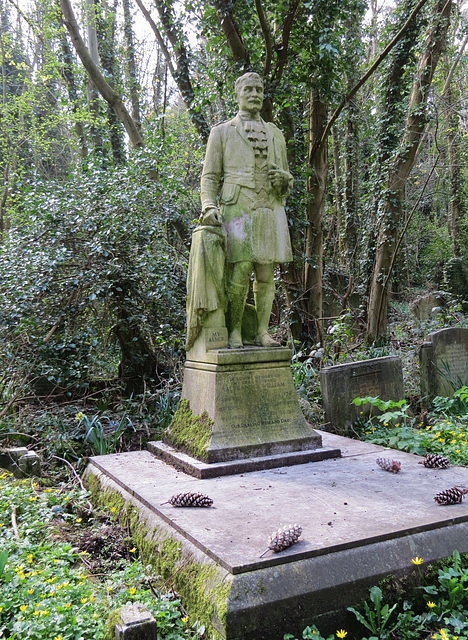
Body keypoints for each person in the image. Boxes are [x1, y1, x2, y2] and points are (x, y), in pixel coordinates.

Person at [200, 72, 293, 348]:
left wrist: (285, 180)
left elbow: (287, 176)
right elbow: (208, 176)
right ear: (237, 94)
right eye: (248, 89)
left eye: (259, 89)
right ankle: (235, 331)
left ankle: (263, 332)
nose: (255, 94)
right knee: (240, 271)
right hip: (237, 208)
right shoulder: (222, 132)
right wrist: (208, 204)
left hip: (269, 208)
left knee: (266, 273)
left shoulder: (276, 134)